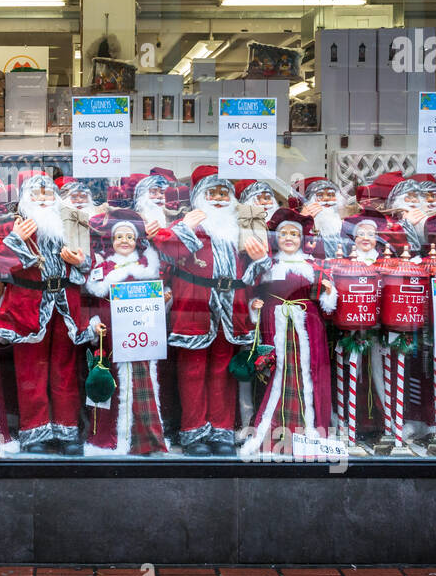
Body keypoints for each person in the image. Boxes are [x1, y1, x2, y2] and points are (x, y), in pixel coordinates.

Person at [153, 168, 269, 455]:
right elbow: (167, 252)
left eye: (223, 193)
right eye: (212, 193)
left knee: (222, 370)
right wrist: (185, 227)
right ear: (198, 198)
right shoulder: (187, 225)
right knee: (192, 371)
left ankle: (221, 430)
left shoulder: (239, 229)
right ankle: (194, 433)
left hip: (231, 307)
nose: (218, 199)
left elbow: (251, 274)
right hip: (195, 306)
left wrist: (260, 259)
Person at [0, 173, 92, 454]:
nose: (43, 199)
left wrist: (81, 262)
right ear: (26, 198)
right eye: (36, 194)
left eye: (47, 194)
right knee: (31, 371)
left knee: (65, 370)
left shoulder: (71, 223)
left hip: (64, 306)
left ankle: (66, 430)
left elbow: (90, 260)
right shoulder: (11, 226)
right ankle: (34, 432)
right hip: (28, 307)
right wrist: (14, 239)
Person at [240, 209, 337, 455]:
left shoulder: (314, 265)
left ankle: (309, 431)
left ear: (302, 239)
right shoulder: (268, 264)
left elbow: (329, 306)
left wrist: (328, 293)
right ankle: (271, 430)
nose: (290, 238)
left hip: (307, 327)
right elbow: (253, 293)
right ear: (276, 238)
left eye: (295, 234)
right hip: (276, 324)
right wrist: (255, 306)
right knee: (277, 373)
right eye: (284, 234)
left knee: (308, 373)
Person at [83, 209, 169, 456]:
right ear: (112, 240)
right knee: (111, 384)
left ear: (136, 241)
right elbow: (94, 303)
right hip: (111, 339)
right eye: (119, 237)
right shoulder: (104, 269)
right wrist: (94, 323)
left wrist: (164, 300)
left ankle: (146, 438)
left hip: (142, 342)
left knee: (144, 385)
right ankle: (108, 440)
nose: (124, 241)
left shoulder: (147, 266)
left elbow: (155, 303)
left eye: (129, 237)